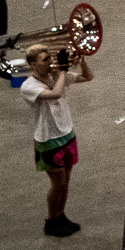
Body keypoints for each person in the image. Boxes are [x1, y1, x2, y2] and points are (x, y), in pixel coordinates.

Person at [22, 42, 90, 237]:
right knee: (57, 183)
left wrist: (81, 62)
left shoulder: (55, 76)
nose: (49, 63)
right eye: (44, 60)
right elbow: (55, 93)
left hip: (66, 134)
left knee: (66, 180)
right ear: (32, 64)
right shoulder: (29, 86)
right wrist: (63, 70)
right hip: (48, 140)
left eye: (49, 58)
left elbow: (87, 77)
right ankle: (52, 221)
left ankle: (61, 216)